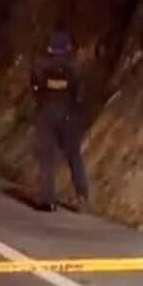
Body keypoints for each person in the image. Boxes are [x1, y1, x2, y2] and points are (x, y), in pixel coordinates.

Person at [31, 27, 90, 213]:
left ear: (50, 47)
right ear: (68, 47)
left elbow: (35, 89)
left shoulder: (40, 65)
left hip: (46, 115)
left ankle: (48, 199)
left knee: (47, 158)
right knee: (74, 156)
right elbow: (79, 94)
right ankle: (82, 197)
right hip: (68, 116)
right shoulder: (75, 67)